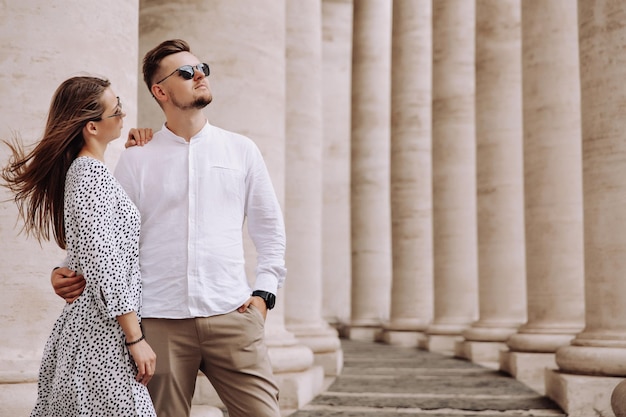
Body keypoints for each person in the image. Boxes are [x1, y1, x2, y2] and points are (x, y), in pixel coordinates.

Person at [52, 39, 287, 417]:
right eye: (186, 72)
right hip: (160, 323)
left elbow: (270, 230)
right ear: (159, 90)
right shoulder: (137, 158)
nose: (199, 75)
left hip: (233, 315)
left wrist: (264, 296)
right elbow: (110, 233)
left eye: (202, 68)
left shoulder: (241, 150)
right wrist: (66, 268)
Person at [1, 76, 157, 416]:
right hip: (102, 334)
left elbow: (90, 248)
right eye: (116, 110)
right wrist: (135, 338)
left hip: (99, 330)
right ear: (92, 127)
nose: (124, 115)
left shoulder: (91, 173)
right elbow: (104, 262)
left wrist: (61, 269)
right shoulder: (88, 174)